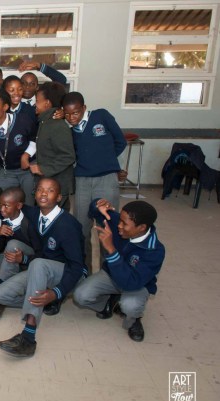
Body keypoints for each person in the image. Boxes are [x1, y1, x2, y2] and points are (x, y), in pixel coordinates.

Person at [0, 178, 87, 358]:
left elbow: (77, 266)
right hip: (43, 269)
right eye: (40, 190)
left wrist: (57, 292)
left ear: (59, 197)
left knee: (38, 264)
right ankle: (42, 300)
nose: (44, 193)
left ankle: (28, 338)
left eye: (50, 190)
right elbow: (10, 205)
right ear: (35, 195)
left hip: (69, 273)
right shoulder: (35, 213)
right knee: (0, 294)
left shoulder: (68, 225)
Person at [74, 199, 165, 342]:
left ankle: (133, 320)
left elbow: (131, 283)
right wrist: (98, 205)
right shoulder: (120, 222)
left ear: (142, 227)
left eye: (124, 224)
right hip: (111, 275)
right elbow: (94, 211)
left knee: (130, 305)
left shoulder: (155, 250)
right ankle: (107, 304)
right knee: (80, 295)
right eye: (120, 220)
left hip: (136, 284)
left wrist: (111, 249)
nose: (119, 225)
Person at [63, 91, 127, 272]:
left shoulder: (101, 116)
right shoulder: (68, 130)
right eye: (67, 114)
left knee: (107, 227)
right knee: (81, 227)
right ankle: (85, 271)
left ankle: (109, 273)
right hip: (82, 181)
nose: (72, 117)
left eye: (76, 112)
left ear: (84, 108)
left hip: (106, 179)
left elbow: (120, 141)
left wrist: (106, 161)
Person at [0, 188, 42, 293]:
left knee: (13, 244)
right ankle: (15, 280)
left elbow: (40, 253)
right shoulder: (4, 220)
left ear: (19, 206)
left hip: (28, 257)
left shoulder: (29, 224)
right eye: (0, 205)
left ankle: (6, 290)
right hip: (8, 255)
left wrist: (24, 259)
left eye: (6, 206)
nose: (1, 209)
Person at [29, 82, 75, 209]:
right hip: (49, 183)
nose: (35, 104)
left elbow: (68, 156)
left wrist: (42, 169)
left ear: (47, 103)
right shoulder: (45, 122)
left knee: (57, 219)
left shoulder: (57, 125)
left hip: (57, 185)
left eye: (37, 101)